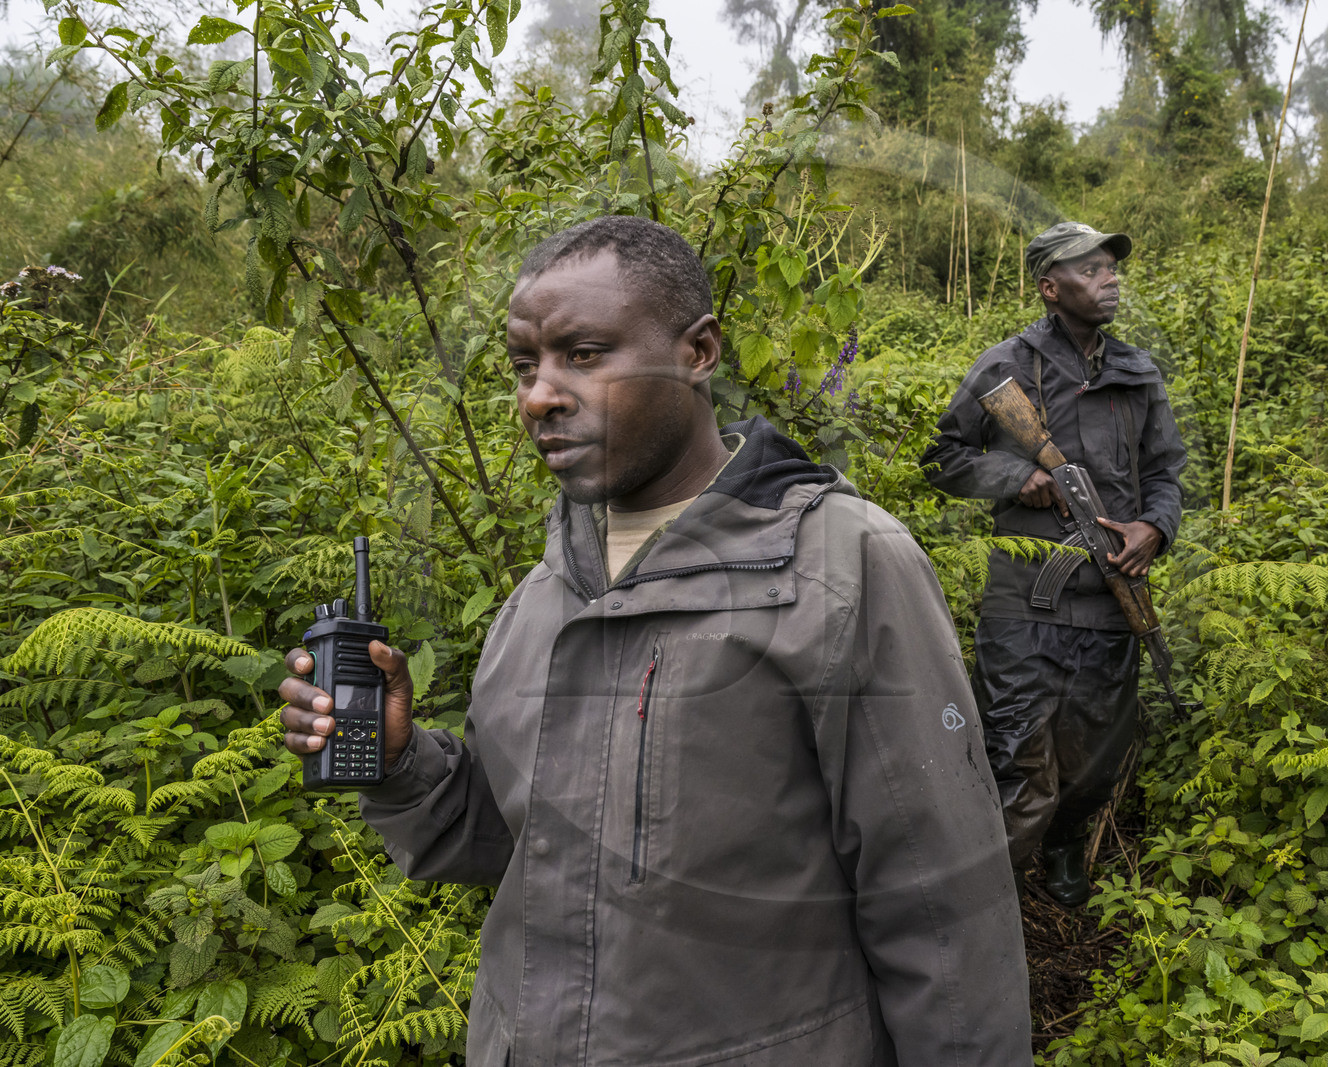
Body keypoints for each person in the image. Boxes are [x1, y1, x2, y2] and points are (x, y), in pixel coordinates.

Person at [278, 216, 1030, 1066]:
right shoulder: (544, 595)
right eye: (525, 367)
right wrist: (399, 760)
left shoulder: (843, 569)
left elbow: (941, 915)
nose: (539, 395)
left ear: (699, 351)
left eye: (585, 354)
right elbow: (508, 840)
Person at [920, 221, 1187, 907]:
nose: (1110, 279)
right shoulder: (1002, 367)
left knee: (1095, 751)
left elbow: (1165, 471)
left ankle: (1067, 847)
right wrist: (1016, 477)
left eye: (1110, 268)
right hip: (1023, 603)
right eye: (1091, 270)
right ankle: (990, 888)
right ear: (1049, 287)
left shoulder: (1137, 371)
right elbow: (942, 460)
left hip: (1110, 595)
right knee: (1014, 746)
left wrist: (1154, 527)